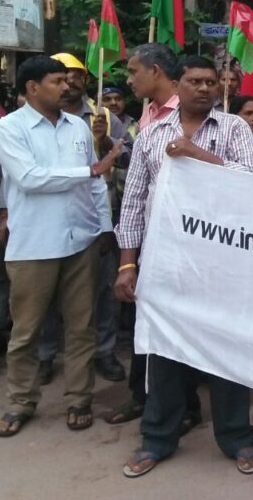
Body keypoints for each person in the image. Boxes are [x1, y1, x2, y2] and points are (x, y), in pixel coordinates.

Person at [114, 56, 253, 478]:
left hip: (223, 262)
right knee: (164, 354)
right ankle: (157, 439)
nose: (203, 88)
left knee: (226, 352)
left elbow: (251, 181)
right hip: (167, 263)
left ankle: (237, 437)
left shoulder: (234, 128)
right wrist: (127, 265)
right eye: (194, 81)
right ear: (176, 85)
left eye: (210, 82)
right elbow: (133, 204)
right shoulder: (150, 136)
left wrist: (197, 155)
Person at [0, 56, 121, 437]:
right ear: (32, 88)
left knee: (81, 327)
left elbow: (97, 184)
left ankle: (79, 398)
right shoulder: (9, 128)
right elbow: (30, 179)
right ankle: (20, 401)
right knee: (26, 331)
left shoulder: (79, 129)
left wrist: (103, 227)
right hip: (33, 244)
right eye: (57, 80)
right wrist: (89, 172)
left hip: (80, 239)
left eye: (67, 80)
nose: (66, 86)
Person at [106, 42, 187, 427]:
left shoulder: (191, 116)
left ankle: (184, 408)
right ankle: (142, 397)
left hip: (188, 247)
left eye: (133, 71)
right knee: (146, 321)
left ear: (155, 71)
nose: (128, 79)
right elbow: (136, 195)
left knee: (181, 329)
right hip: (149, 242)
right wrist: (128, 259)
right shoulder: (146, 119)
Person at [40, 52, 131, 385]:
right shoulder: (38, 118)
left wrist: (105, 139)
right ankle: (46, 355)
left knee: (103, 292)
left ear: (84, 80)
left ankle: (104, 352)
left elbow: (126, 158)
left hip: (96, 217)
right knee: (48, 294)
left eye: (75, 75)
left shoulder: (103, 114)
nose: (69, 81)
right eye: (61, 75)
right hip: (50, 219)